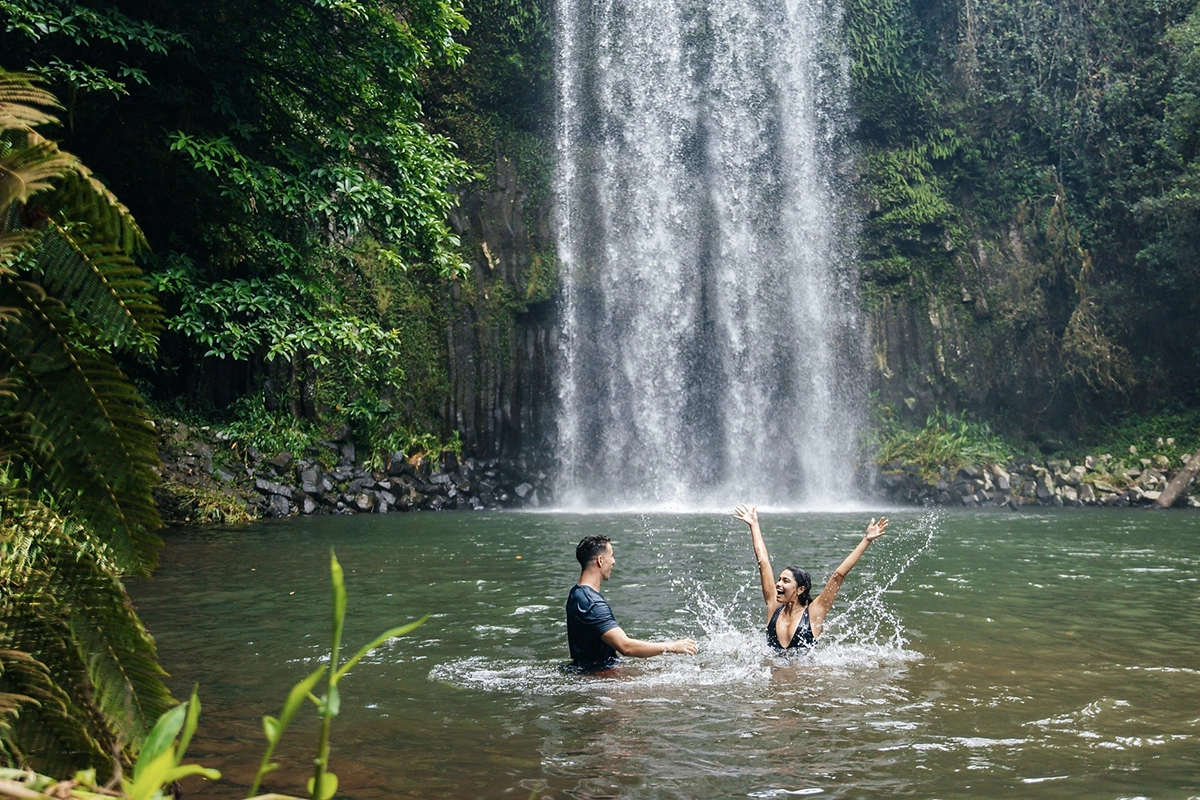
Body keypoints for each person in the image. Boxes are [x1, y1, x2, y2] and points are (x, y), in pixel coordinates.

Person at [733, 504, 888, 652]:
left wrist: (866, 540)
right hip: (774, 678)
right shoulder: (774, 605)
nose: (778, 584)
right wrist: (754, 525)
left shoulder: (814, 612)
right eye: (779, 579)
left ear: (800, 589)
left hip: (805, 678)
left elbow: (838, 576)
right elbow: (763, 561)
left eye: (785, 581)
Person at [566, 534, 698, 671]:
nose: (613, 561)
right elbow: (626, 647)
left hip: (589, 670)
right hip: (601, 677)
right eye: (611, 556)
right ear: (600, 560)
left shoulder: (577, 593)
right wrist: (673, 646)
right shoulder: (591, 603)